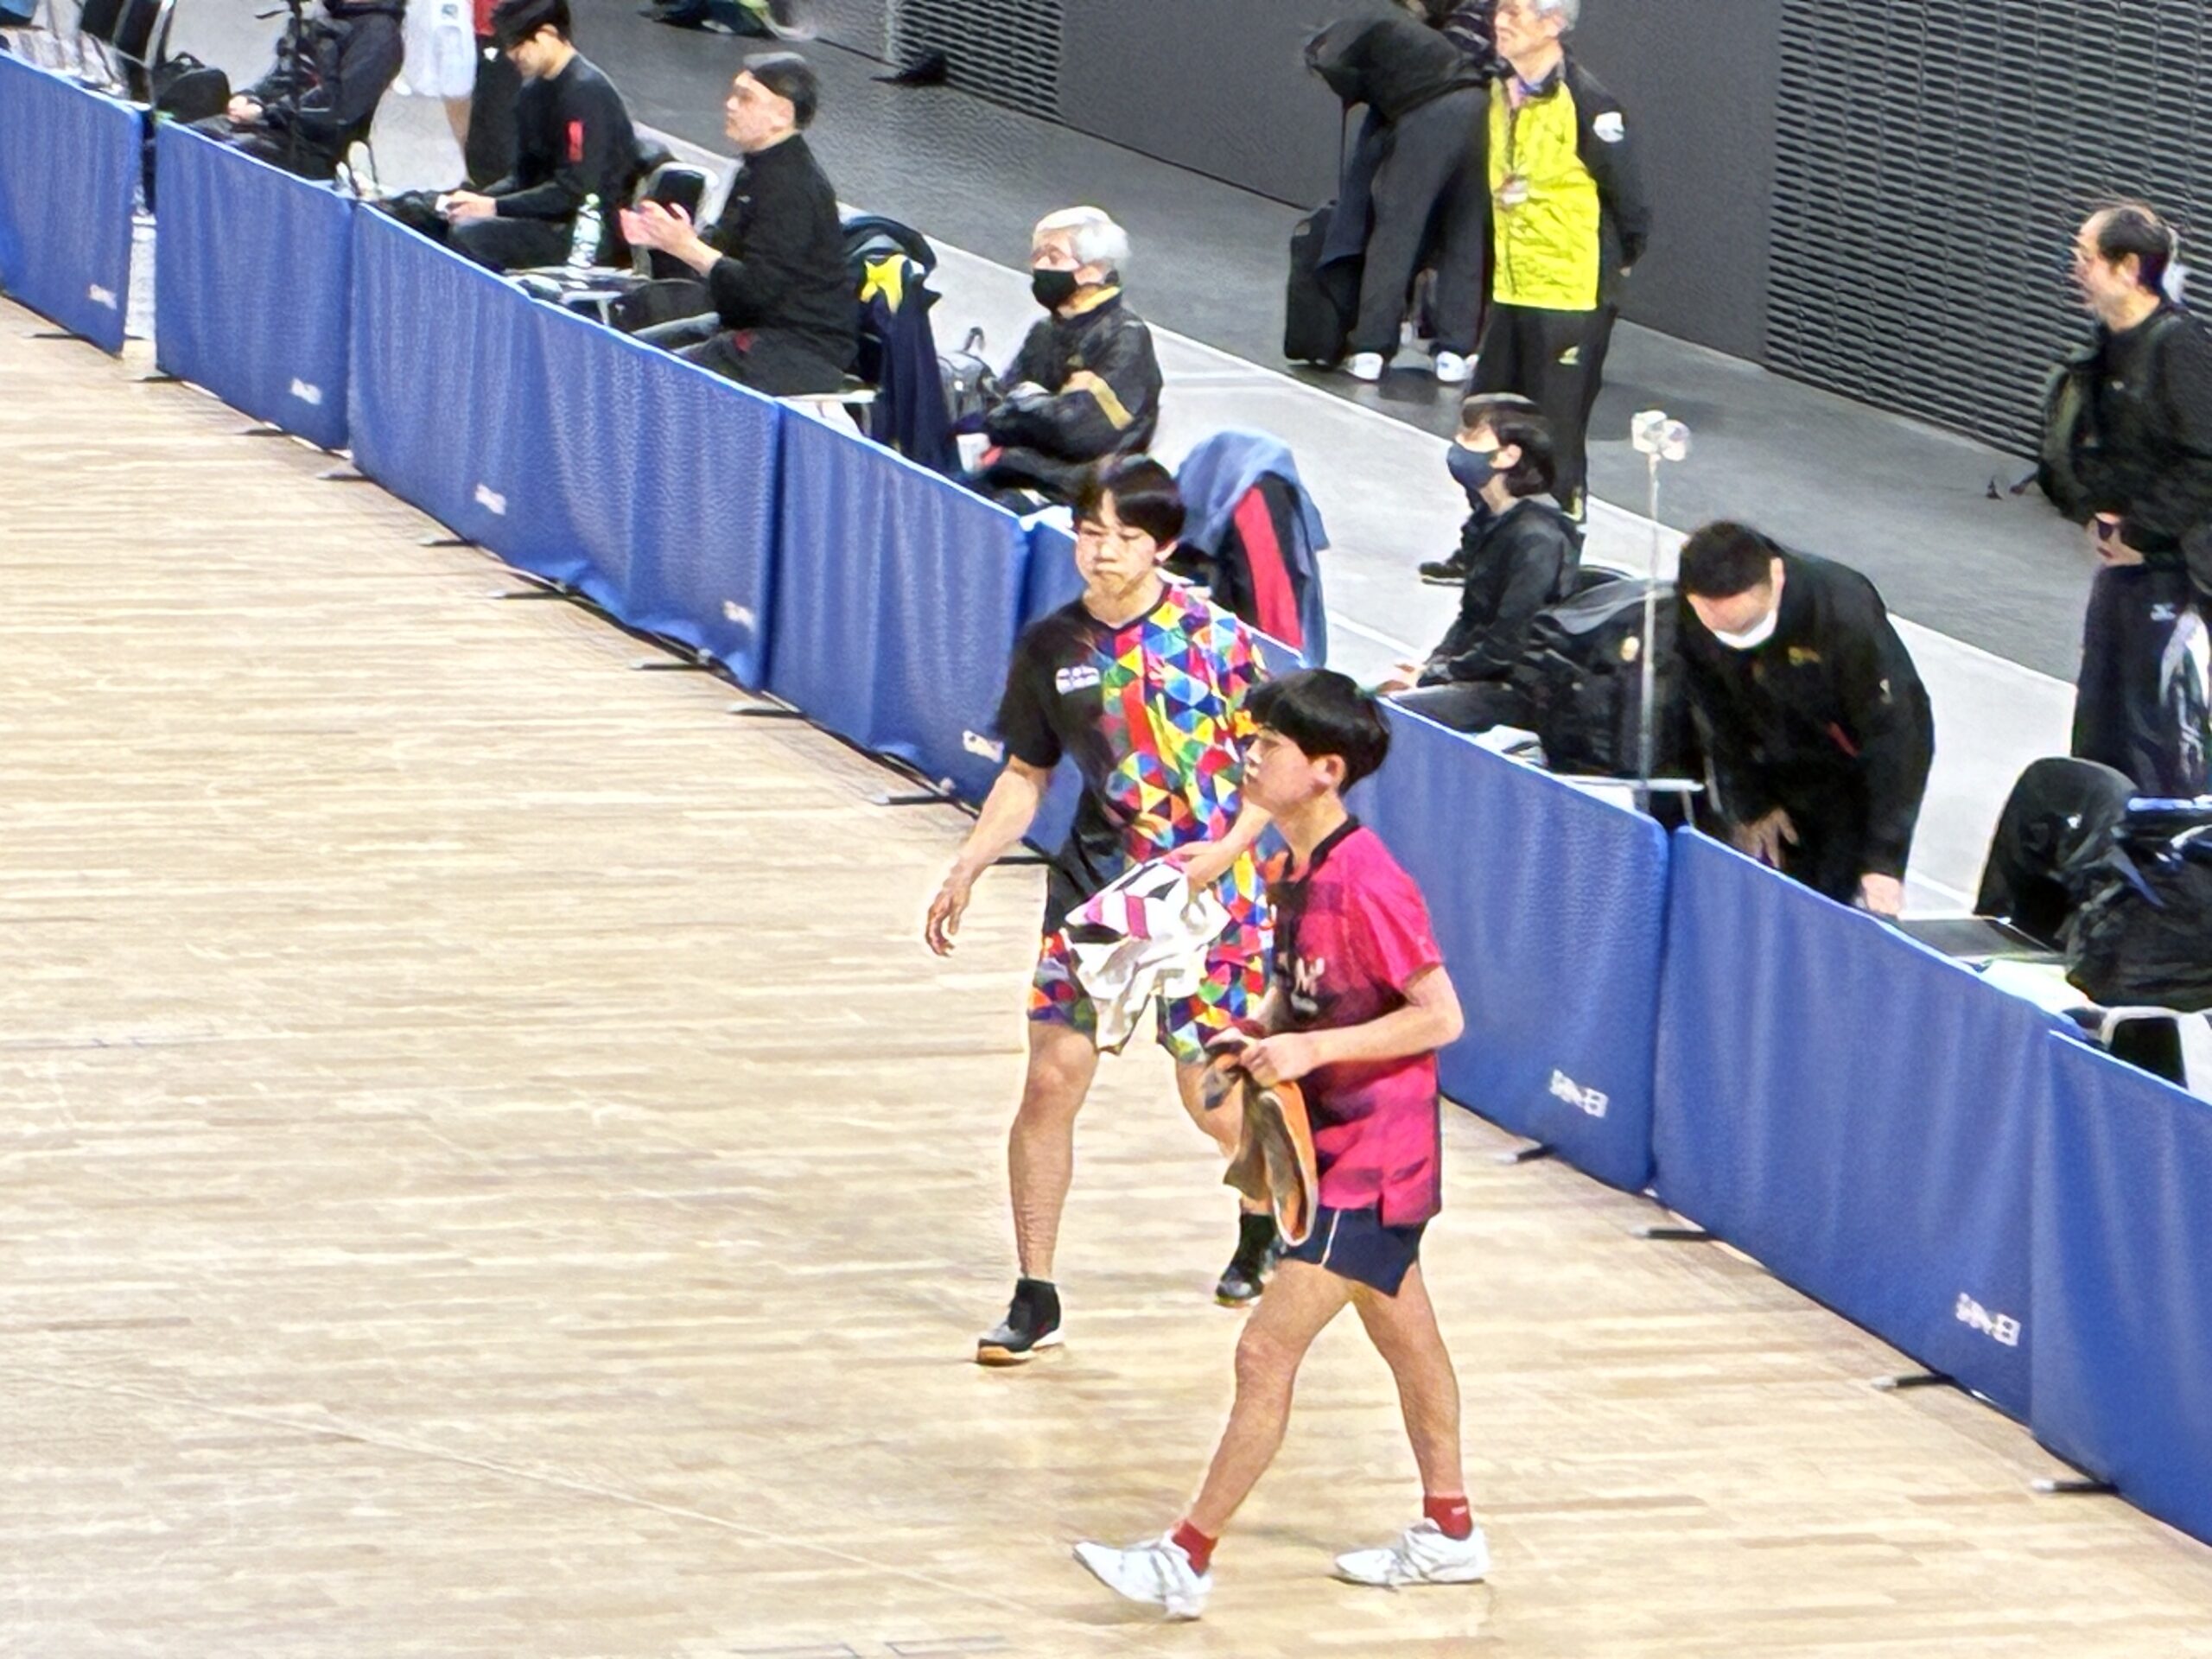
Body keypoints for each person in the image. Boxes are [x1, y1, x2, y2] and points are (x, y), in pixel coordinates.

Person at [1072, 670, 1481, 1620]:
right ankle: (1452, 1532)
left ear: (1325, 770)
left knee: (1263, 1352)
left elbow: (1440, 1017)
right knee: (1407, 1334)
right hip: (1326, 1144)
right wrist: (1257, 1032)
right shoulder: (1291, 865)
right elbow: (1306, 991)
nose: (1249, 758)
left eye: (1269, 747)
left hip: (1375, 1159)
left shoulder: (1368, 881)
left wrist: (1311, 1050)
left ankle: (1185, 1558)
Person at [925, 458, 1278, 1363]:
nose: (1104, 551)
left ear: (1163, 546)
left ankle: (1262, 1216)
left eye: (1124, 536)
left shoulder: (1216, 639)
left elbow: (1272, 771)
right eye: (1090, 533)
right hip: (1101, 892)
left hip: (1213, 893)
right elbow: (1026, 773)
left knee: (1211, 1099)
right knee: (1050, 1081)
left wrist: (1230, 851)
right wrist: (968, 863)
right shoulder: (1053, 646)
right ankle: (1034, 1293)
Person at [1675, 523, 1934, 917]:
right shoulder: (1692, 608)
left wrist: (1885, 860)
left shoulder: (1843, 615)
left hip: (1845, 768)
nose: (1732, 639)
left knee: (1832, 898)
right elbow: (1715, 708)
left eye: (1745, 626)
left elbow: (1901, 734)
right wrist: (1750, 803)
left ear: (1776, 577)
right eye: (1719, 629)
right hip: (1769, 753)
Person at [1471, 0, 1649, 519]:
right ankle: (1485, 538)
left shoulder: (1590, 102)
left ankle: (1561, 542)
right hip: (1512, 286)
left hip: (1569, 295)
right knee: (1485, 426)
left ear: (1552, 25)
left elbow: (1630, 202)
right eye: (1499, 9)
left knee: (1556, 434)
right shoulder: (1497, 89)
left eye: (1515, 13)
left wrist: (1617, 262)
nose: (1500, 21)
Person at [2068, 202, 2212, 798]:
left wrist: (2138, 533)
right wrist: (2098, 514)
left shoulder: (2179, 347)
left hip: (2177, 577)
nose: (2076, 269)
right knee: (2098, 727)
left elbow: (2205, 461)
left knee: (2160, 742)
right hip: (2125, 571)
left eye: (2086, 258)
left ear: (2127, 268)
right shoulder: (2110, 343)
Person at [621, 55, 858, 396]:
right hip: (750, 326)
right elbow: (722, 255)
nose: (730, 105)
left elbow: (756, 290)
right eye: (733, 94)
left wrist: (688, 247)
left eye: (746, 98)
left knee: (646, 381)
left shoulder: (792, 187)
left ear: (782, 115)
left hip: (798, 346)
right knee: (627, 356)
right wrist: (669, 239)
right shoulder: (755, 170)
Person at [1306, 2, 1491, 385]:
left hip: (1430, 111)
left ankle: (1371, 348)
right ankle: (1455, 353)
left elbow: (1333, 63)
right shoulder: (1438, 27)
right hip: (1482, 108)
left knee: (1395, 233)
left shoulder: (1361, 28)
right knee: (1465, 233)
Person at [1382, 397, 1581, 731]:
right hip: (1483, 673)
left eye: (1472, 437)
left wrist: (1435, 677)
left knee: (1393, 717)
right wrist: (1431, 666)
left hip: (1521, 688)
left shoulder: (1537, 539)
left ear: (1508, 456)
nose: (1458, 444)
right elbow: (1471, 618)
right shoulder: (1488, 519)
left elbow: (1506, 645)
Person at [410, 0, 640, 273]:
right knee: (424, 212)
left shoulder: (586, 94)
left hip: (587, 230)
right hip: (550, 216)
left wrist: (494, 207)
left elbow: (577, 190)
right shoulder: (533, 92)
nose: (511, 55)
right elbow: (522, 176)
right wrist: (472, 201)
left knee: (471, 237)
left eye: (518, 45)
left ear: (548, 34)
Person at [974, 209, 1162, 507]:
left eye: (1053, 257)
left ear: (1094, 269)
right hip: (1014, 474)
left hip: (1078, 498)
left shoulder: (1127, 338)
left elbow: (1079, 434)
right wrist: (1044, 406)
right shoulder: (1043, 332)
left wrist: (1026, 402)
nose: (1039, 266)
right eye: (1036, 256)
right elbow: (995, 411)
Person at [200, 0, 404, 181]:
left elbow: (337, 109)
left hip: (309, 148)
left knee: (217, 155)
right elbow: (284, 76)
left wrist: (266, 113)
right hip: (273, 128)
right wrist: (251, 97)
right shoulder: (324, 18)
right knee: (195, 134)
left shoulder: (380, 34)